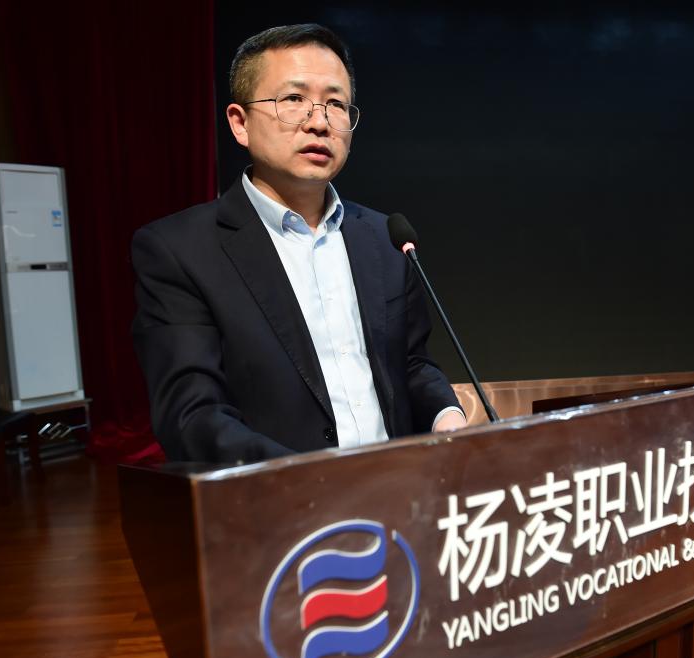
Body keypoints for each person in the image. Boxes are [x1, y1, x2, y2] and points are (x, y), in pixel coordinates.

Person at [131, 23, 466, 464]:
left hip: (399, 490)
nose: (319, 122)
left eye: (336, 104)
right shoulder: (179, 250)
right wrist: (311, 479)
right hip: (279, 499)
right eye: (293, 99)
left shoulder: (384, 237)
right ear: (240, 123)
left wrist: (446, 415)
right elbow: (192, 416)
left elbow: (411, 364)